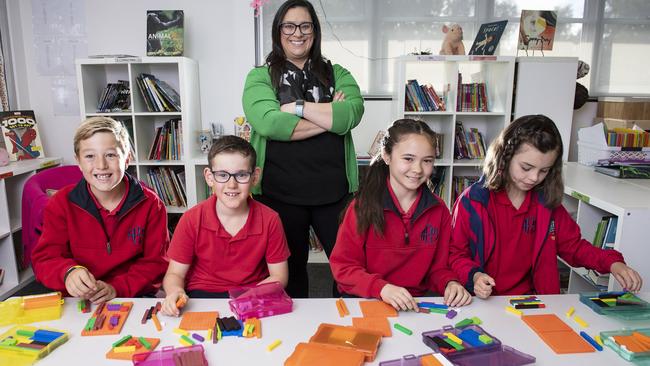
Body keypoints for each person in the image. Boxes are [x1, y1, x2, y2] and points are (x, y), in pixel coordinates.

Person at [242, 0, 364, 297]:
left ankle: (347, 325)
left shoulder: (338, 73)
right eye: (289, 25)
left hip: (335, 193)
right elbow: (270, 124)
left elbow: (352, 114)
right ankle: (293, 334)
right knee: (290, 272)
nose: (297, 33)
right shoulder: (260, 76)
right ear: (278, 30)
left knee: (347, 269)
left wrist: (296, 107)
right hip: (280, 194)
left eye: (305, 25)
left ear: (314, 31)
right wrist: (329, 119)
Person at [449, 114, 643, 299]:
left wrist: (612, 263)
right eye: (526, 168)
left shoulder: (547, 203)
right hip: (482, 302)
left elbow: (573, 247)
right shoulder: (472, 201)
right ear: (504, 157)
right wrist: (474, 276)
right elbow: (456, 254)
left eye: (544, 171)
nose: (534, 178)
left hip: (534, 303)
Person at [329, 119, 472, 311]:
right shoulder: (362, 207)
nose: (418, 169)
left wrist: (450, 283)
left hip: (411, 305)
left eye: (427, 161)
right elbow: (344, 268)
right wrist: (382, 288)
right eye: (408, 159)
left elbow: (439, 269)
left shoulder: (439, 211)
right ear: (386, 156)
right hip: (365, 301)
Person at [31, 117, 169, 303]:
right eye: (90, 156)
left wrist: (116, 288)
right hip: (79, 300)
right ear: (78, 162)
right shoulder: (60, 204)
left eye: (111, 155)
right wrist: (67, 272)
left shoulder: (151, 204)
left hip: (131, 296)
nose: (101, 165)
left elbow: (156, 263)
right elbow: (45, 260)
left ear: (127, 159)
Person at [161, 136, 290, 316]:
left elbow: (279, 277)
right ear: (209, 177)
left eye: (241, 175)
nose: (232, 184)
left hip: (252, 293)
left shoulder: (270, 219)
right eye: (222, 175)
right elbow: (175, 274)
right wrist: (175, 291)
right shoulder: (192, 219)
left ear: (255, 177)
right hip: (203, 294)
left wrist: (245, 299)